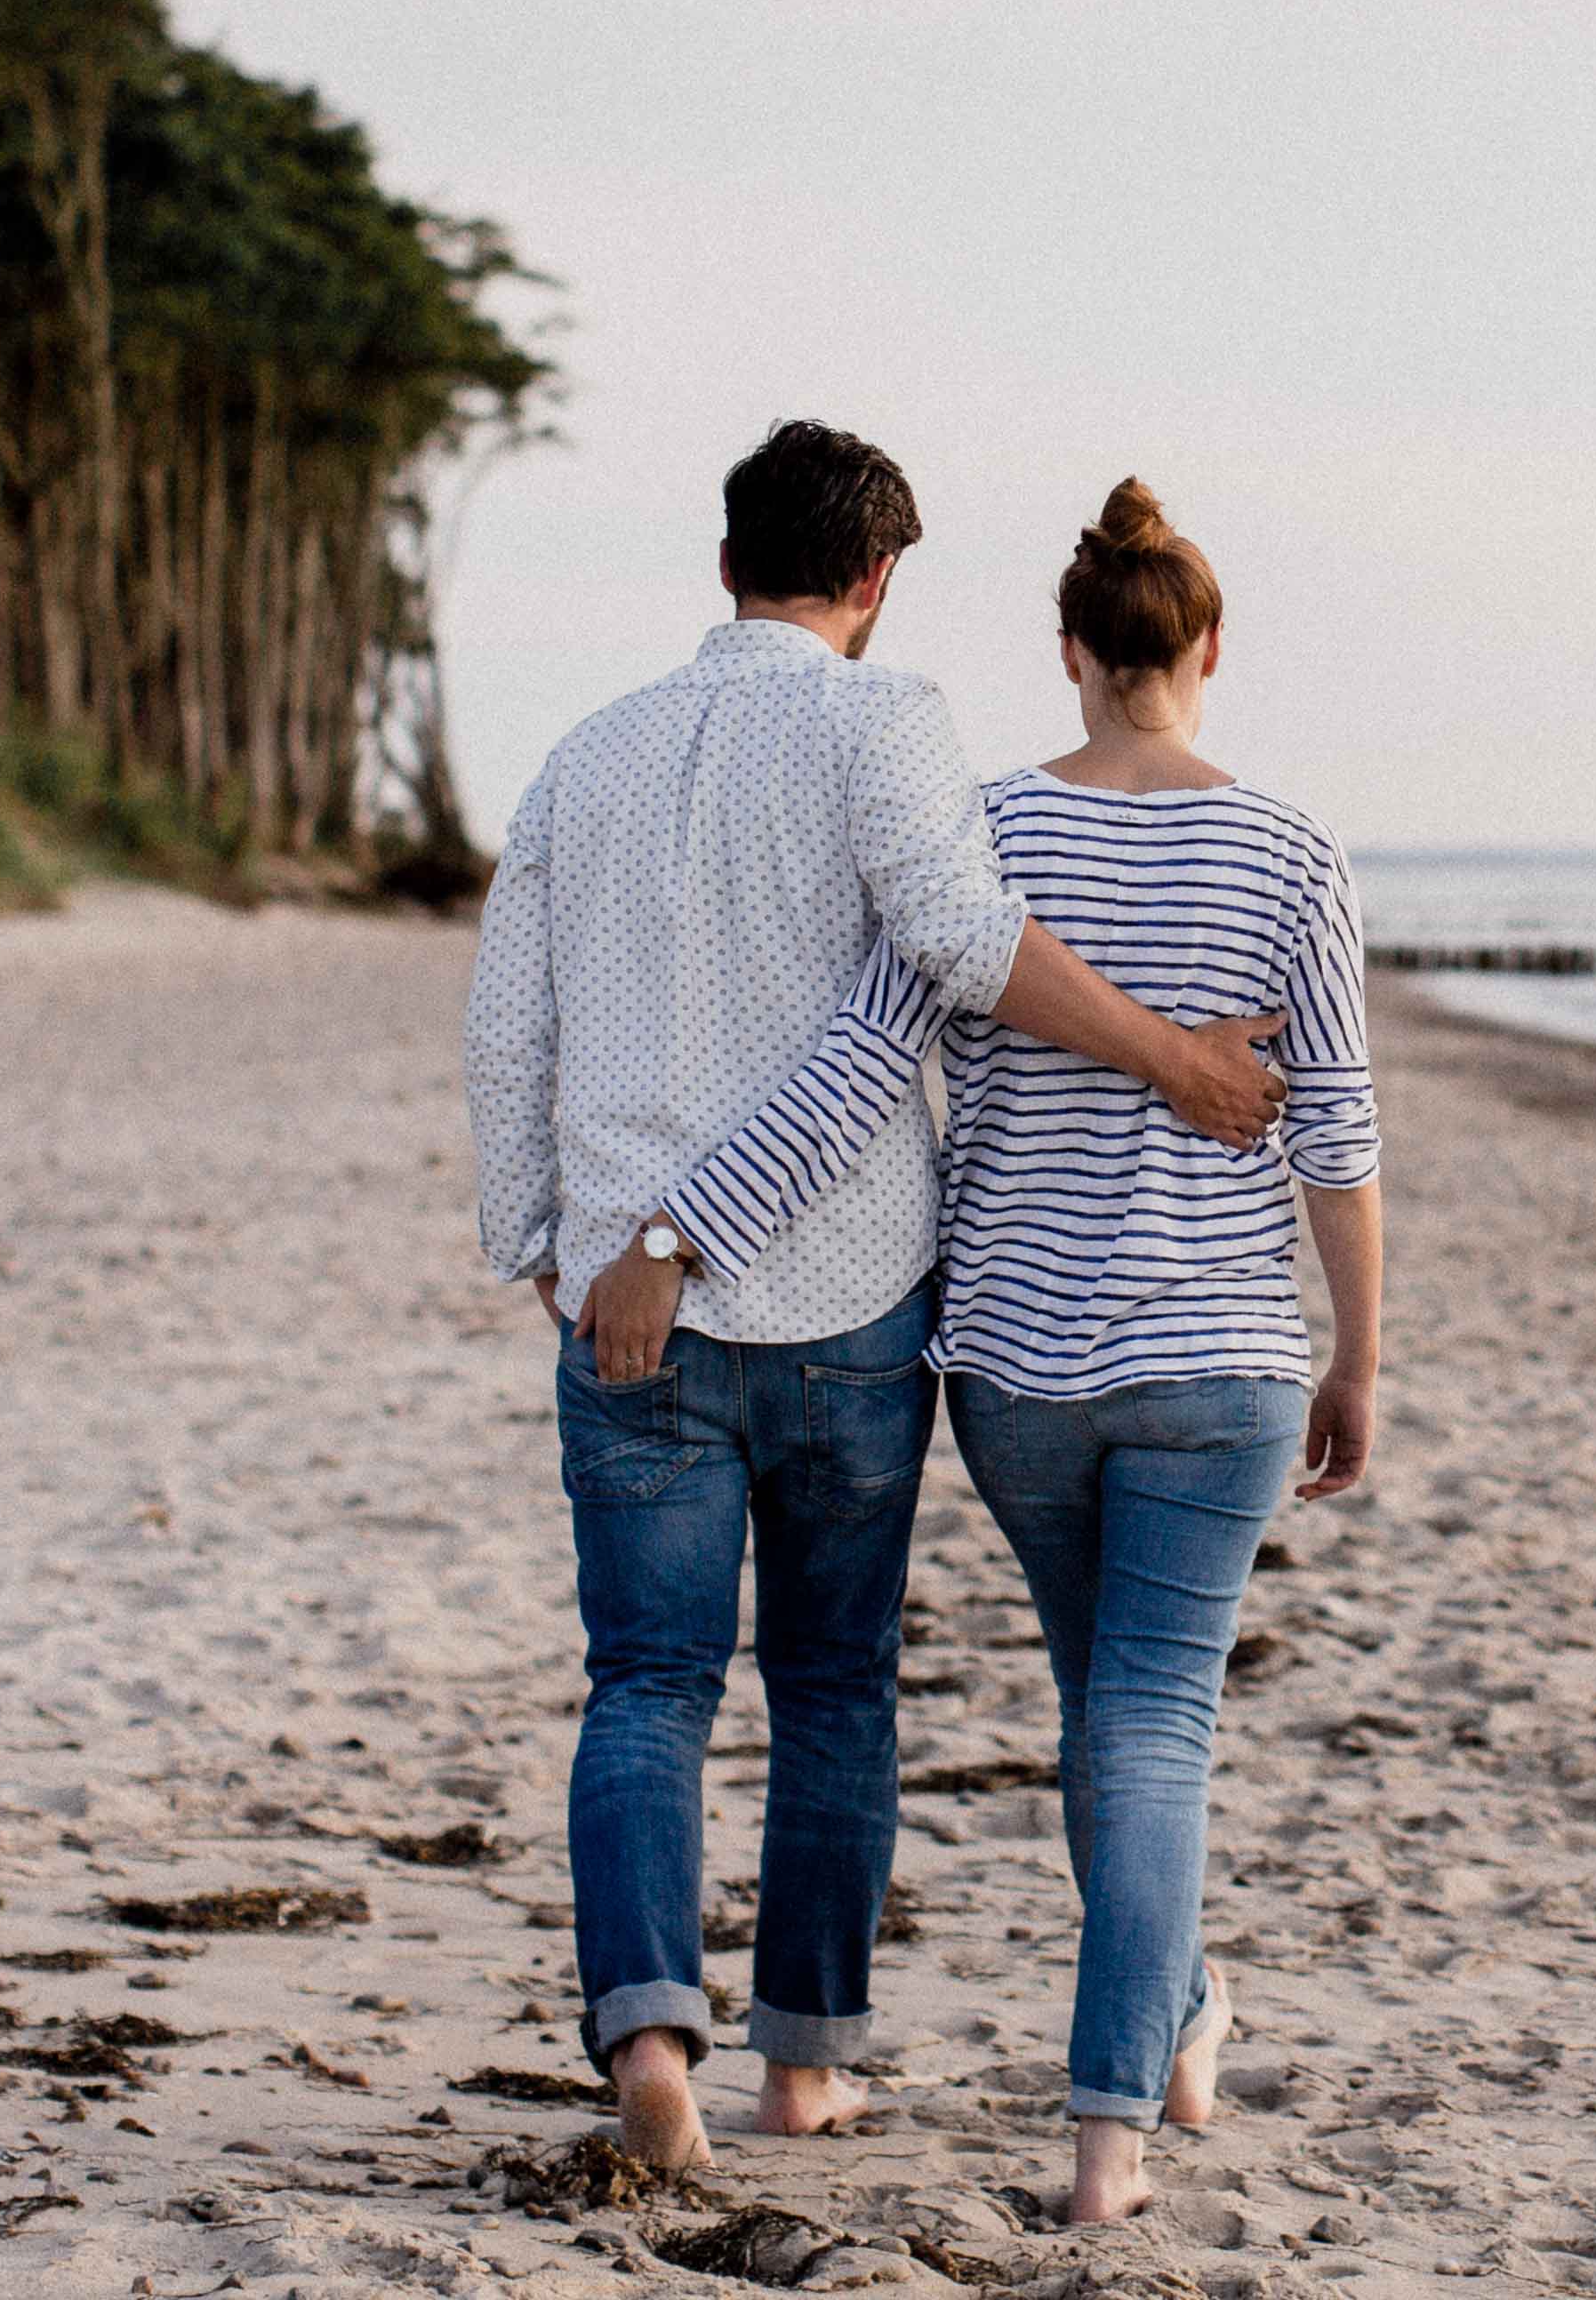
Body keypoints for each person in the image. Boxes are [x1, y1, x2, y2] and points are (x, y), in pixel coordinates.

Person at [465, 421, 1295, 2168]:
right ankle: (805, 2067)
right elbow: (961, 943)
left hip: (632, 1307)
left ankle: (646, 2043)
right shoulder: (885, 722)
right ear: (877, 582)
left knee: (645, 1685)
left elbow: (507, 1027)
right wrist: (1176, 1067)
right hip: (842, 1301)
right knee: (834, 1687)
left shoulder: (584, 756)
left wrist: (543, 1237)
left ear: (725, 568)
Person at [670, 479, 1383, 2226]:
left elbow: (861, 1065)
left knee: (1113, 1714)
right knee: (1146, 1722)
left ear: (1070, 652)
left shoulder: (988, 833)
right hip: (1219, 1361)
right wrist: (1360, 1350)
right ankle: (1111, 2133)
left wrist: (677, 1232)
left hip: (1022, 1370)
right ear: (1207, 651)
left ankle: (1180, 2011)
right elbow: (1338, 1139)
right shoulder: (1293, 850)